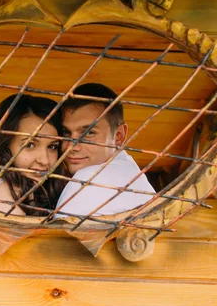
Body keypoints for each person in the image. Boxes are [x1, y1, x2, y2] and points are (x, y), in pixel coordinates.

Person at [56, 83, 155, 217]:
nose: (71, 147)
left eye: (89, 133)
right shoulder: (129, 172)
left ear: (119, 136)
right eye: (66, 132)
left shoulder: (89, 179)